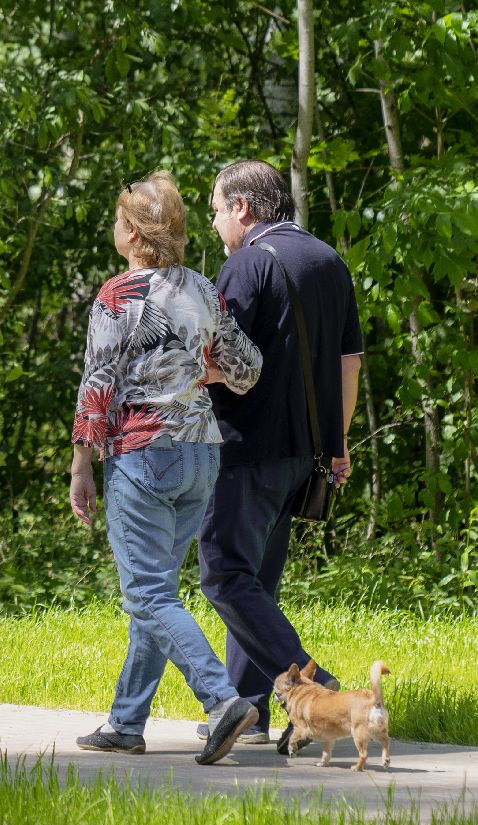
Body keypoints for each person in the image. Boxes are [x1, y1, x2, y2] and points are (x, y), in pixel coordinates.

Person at [68, 172, 265, 765]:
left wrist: (81, 463)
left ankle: (221, 698)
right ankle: (126, 722)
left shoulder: (117, 296)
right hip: (202, 453)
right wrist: (197, 370)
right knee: (156, 590)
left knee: (149, 593)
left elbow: (97, 385)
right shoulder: (203, 289)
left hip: (143, 455)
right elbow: (248, 368)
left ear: (131, 232)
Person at [196, 159, 363, 754]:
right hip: (305, 453)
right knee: (255, 581)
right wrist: (338, 445)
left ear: (242, 207)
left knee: (221, 572)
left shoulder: (246, 264)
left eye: (216, 210)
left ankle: (316, 686)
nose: (215, 224)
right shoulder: (329, 260)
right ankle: (252, 713)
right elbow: (350, 363)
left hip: (246, 447)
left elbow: (218, 355)